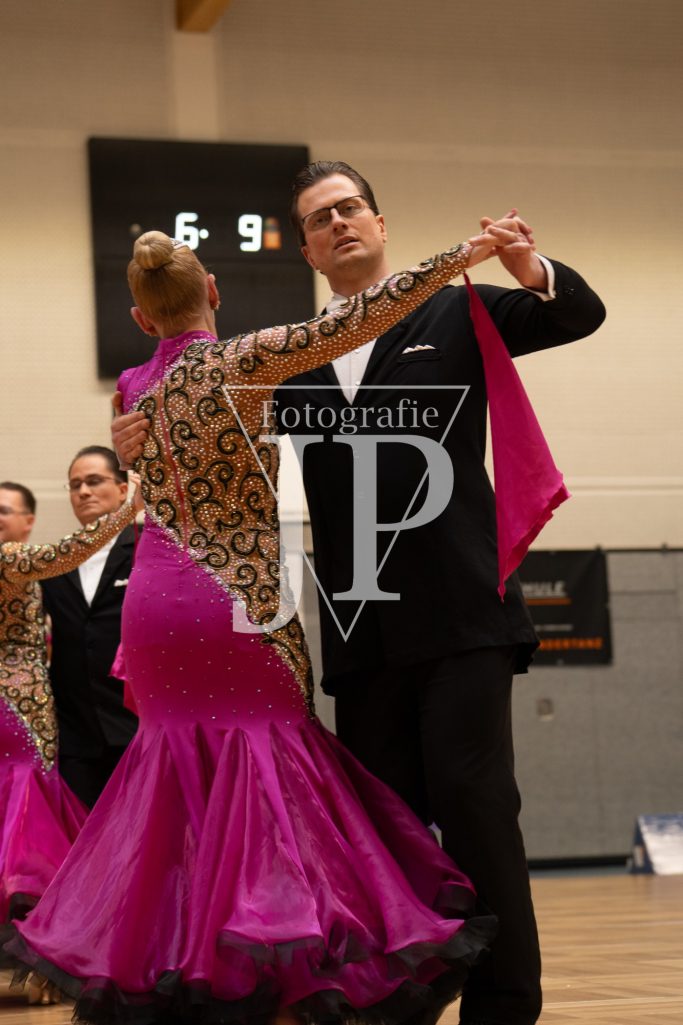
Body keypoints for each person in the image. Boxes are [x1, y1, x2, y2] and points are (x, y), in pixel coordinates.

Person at [3, 226, 506, 1025]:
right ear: (213, 291)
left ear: (140, 318)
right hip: (237, 597)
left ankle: (185, 960)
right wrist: (459, 257)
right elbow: (370, 312)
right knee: (270, 761)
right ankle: (275, 953)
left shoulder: (129, 387)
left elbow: (144, 479)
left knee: (177, 780)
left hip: (155, 604)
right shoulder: (246, 357)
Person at [0, 481, 137, 999]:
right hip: (18, 712)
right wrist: (128, 510)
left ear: (28, 518)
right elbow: (70, 550)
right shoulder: (10, 558)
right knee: (32, 839)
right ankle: (51, 962)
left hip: (21, 713)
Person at [41, 446, 138, 807]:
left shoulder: (148, 550)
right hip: (77, 738)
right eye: (75, 485)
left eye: (94, 481)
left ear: (123, 489)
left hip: (137, 729)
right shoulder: (56, 561)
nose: (83, 492)